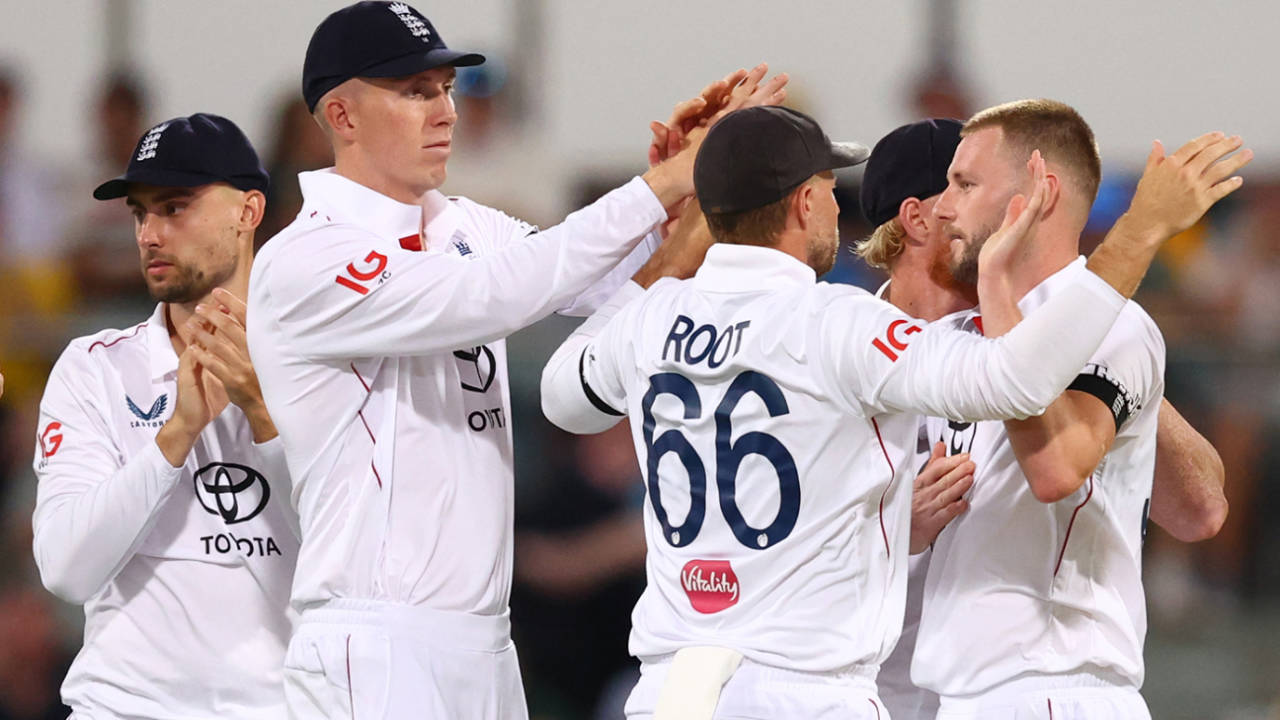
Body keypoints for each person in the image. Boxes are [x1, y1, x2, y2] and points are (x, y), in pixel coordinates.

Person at [538, 101, 1216, 719]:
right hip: (822, 685)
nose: (954, 204)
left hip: (689, 683)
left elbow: (562, 396)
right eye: (833, 191)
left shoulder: (660, 318)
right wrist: (1138, 235)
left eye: (967, 183)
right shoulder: (848, 330)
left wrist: (689, 231)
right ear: (809, 203)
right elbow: (1014, 381)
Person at [244, 2, 784, 717]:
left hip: (487, 641)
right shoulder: (304, 258)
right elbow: (495, 294)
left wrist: (685, 198)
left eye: (445, 88)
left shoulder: (468, 225)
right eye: (414, 92)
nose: (445, 112)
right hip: (374, 640)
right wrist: (664, 184)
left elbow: (619, 294)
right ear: (341, 117)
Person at [857, 117, 1231, 720]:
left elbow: (1179, 501)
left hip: (1045, 685)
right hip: (901, 687)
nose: (952, 207)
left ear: (1032, 198)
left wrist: (1045, 309)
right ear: (914, 218)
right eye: (948, 187)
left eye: (966, 185)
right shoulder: (901, 344)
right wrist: (891, 524)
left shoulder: (1089, 323)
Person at [31, 114, 298, 718]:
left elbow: (358, 555)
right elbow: (67, 571)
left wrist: (262, 413)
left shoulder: (323, 364)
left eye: (174, 208)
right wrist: (174, 436)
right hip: (123, 708)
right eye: (139, 213)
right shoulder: (93, 368)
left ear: (249, 212)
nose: (149, 233)